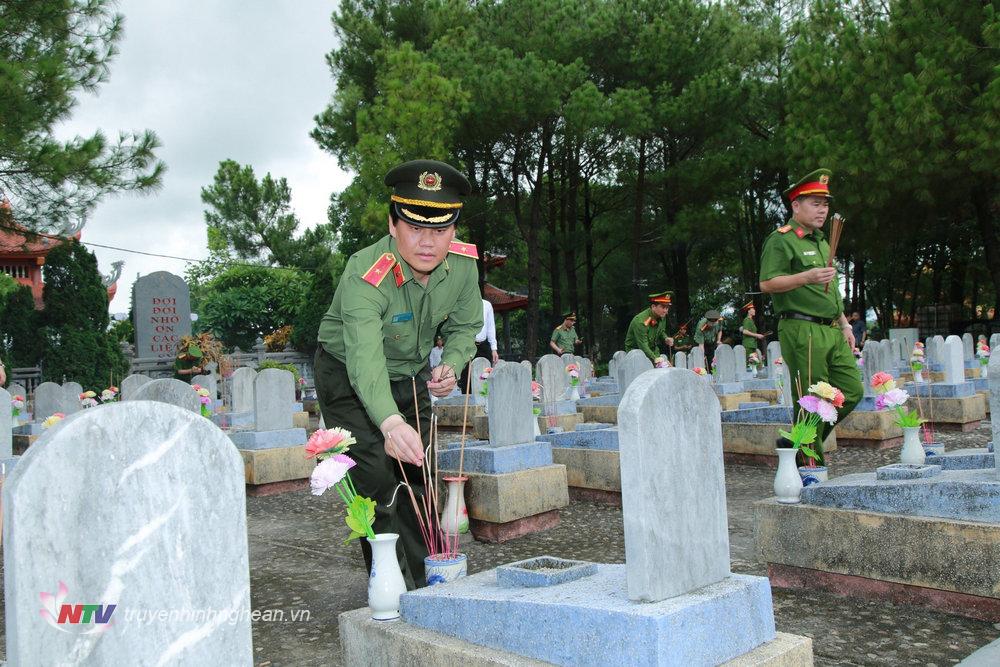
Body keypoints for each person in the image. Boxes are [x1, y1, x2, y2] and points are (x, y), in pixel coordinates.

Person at [314, 159, 482, 590]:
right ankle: (396, 589)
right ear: (392, 224)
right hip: (349, 379)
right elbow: (365, 361)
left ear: (455, 231)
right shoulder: (365, 275)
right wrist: (389, 422)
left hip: (410, 374)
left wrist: (453, 363)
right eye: (415, 227)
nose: (428, 242)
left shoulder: (463, 266)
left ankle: (433, 583)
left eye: (440, 230)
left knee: (419, 480)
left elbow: (465, 327)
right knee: (377, 482)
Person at [759, 168, 862, 445]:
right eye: (815, 204)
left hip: (832, 329)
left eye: (825, 204)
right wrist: (806, 276)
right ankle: (809, 467)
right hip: (802, 327)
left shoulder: (821, 241)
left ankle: (798, 442)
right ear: (795, 205)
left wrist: (844, 323)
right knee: (813, 398)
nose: (822, 210)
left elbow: (828, 292)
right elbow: (767, 283)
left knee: (851, 392)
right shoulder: (782, 240)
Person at [458, 298, 499, 392]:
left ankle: (485, 403)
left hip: (483, 345)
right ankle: (467, 402)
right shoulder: (463, 303)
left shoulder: (486, 304)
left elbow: (491, 327)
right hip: (467, 344)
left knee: (485, 376)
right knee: (466, 377)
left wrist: (494, 348)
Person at [624, 291, 675, 363]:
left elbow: (661, 331)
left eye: (667, 308)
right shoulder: (641, 321)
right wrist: (655, 358)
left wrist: (665, 338)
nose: (665, 311)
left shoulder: (662, 316)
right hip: (636, 356)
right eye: (663, 307)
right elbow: (643, 345)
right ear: (653, 307)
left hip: (652, 351)